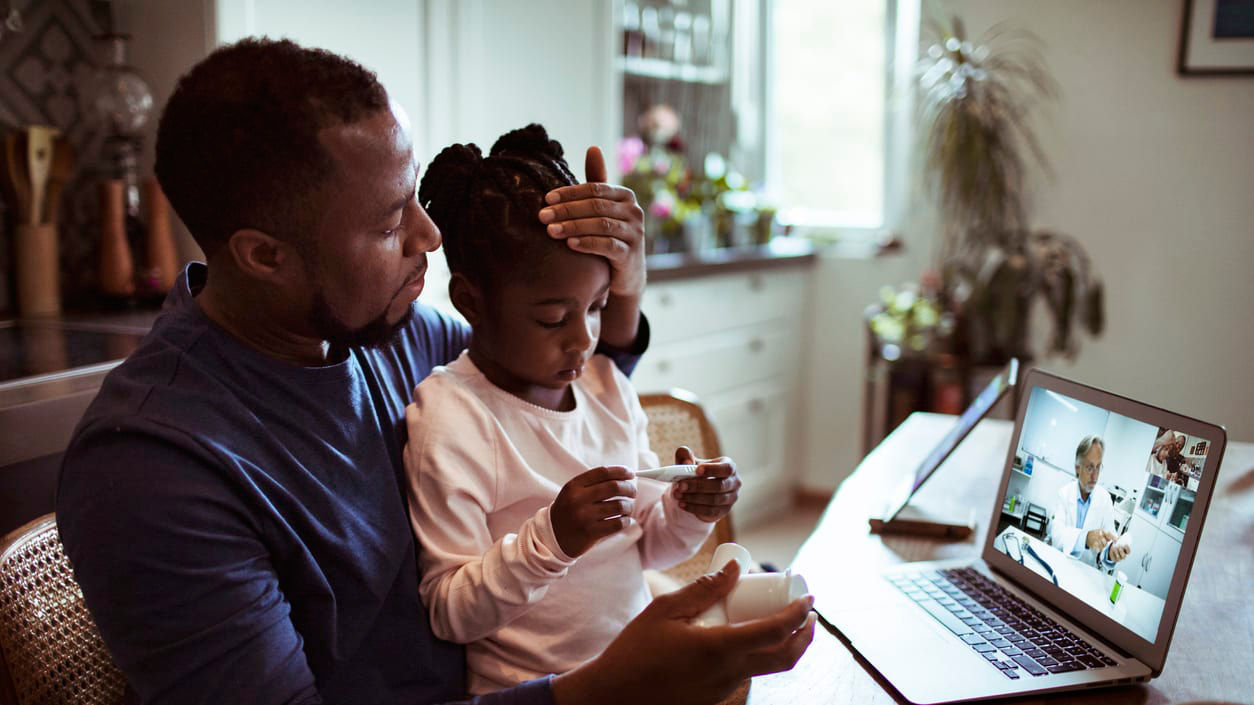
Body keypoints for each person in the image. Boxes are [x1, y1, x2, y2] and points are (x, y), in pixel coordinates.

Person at [55, 38, 814, 705]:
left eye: (415, 198)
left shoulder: (392, 332)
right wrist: (598, 689)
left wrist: (622, 286)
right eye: (389, 223)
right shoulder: (154, 470)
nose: (429, 235)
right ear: (264, 255)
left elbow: (551, 382)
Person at [406, 125, 736, 693]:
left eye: (597, 308)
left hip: (641, 675)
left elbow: (650, 549)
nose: (583, 340)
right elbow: (449, 611)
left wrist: (689, 510)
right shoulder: (452, 418)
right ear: (470, 301)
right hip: (538, 694)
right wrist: (552, 539)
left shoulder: (606, 387)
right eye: (554, 319)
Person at [1048, 436, 1131, 569]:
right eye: (1090, 468)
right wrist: (1085, 539)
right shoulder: (1063, 494)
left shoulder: (1105, 500)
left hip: (1085, 572)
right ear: (1077, 468)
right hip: (1059, 565)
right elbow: (1057, 535)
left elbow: (1110, 539)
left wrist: (1111, 552)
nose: (1095, 476)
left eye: (1098, 467)